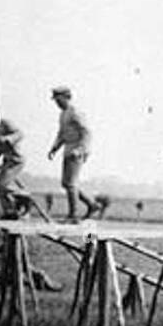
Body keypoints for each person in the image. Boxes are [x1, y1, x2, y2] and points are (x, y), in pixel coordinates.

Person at [46, 86, 101, 223]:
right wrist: (54, 148)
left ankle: (73, 216)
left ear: (67, 97)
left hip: (77, 151)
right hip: (68, 150)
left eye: (59, 100)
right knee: (66, 183)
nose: (57, 103)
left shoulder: (75, 112)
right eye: (55, 101)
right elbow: (62, 134)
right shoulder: (63, 114)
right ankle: (91, 205)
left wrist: (80, 150)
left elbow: (87, 133)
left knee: (70, 184)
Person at [0, 104, 33, 220]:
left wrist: (9, 139)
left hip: (16, 160)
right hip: (7, 161)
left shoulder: (6, 123)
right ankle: (10, 211)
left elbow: (20, 134)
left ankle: (24, 195)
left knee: (1, 186)